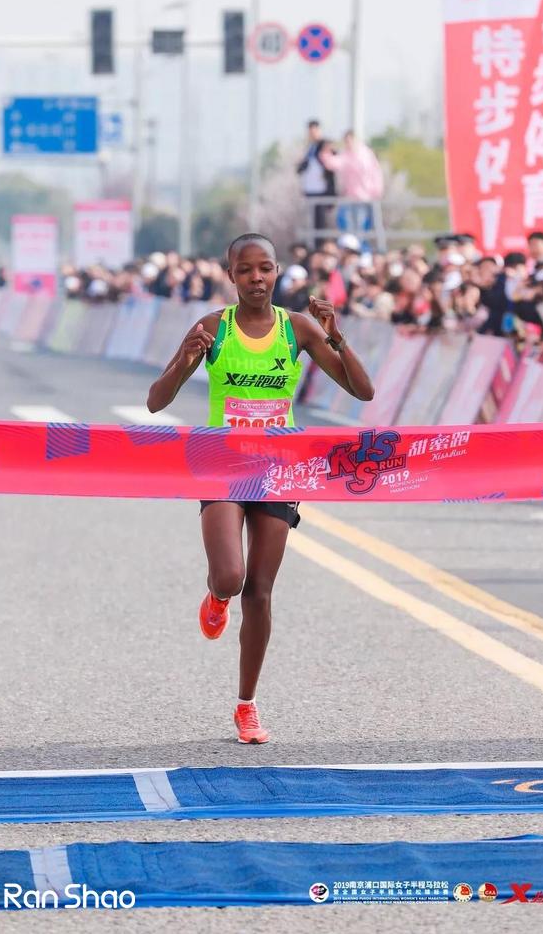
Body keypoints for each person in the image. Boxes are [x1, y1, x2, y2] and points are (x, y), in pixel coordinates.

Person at [147, 233, 374, 744]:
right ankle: (214, 596)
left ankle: (246, 705)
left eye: (265, 269)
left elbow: (363, 391)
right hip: (222, 463)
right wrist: (185, 360)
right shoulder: (212, 327)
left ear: (277, 273)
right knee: (231, 577)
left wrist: (335, 335)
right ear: (230, 276)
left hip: (278, 468)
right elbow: (156, 403)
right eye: (245, 270)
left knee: (261, 592)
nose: (256, 278)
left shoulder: (297, 328)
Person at [320, 130, 384, 243]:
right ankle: (352, 248)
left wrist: (376, 190)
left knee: (361, 225)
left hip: (364, 196)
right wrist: (325, 154)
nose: (348, 143)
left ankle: (359, 249)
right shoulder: (346, 154)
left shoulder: (366, 154)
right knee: (348, 226)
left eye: (350, 140)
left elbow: (375, 172)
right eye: (346, 141)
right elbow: (335, 164)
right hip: (349, 196)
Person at [296, 120, 336, 244]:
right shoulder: (310, 148)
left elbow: (331, 164)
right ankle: (315, 245)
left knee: (321, 224)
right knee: (313, 223)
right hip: (311, 191)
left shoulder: (324, 146)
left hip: (322, 191)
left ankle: (321, 246)